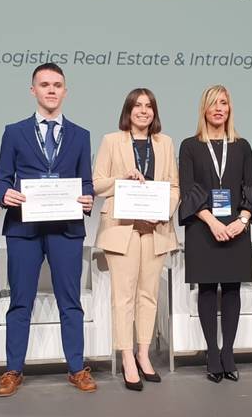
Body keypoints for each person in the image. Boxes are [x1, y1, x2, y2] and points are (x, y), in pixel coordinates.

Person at [0, 63, 95, 396]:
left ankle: (77, 368)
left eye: (57, 85)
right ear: (33, 90)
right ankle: (13, 370)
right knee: (20, 301)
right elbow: (1, 179)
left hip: (66, 228)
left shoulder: (81, 135)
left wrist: (88, 198)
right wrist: (3, 194)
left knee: (71, 301)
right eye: (44, 84)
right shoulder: (14, 131)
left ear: (65, 91)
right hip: (24, 229)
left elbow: (87, 181)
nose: (51, 90)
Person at [179, 85, 252, 383]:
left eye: (224, 103)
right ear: (203, 109)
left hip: (236, 227)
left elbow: (251, 187)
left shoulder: (242, 146)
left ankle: (228, 353)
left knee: (232, 290)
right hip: (203, 228)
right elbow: (189, 189)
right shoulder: (190, 146)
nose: (219, 108)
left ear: (230, 109)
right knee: (207, 289)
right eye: (213, 103)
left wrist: (242, 221)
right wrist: (212, 222)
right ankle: (212, 353)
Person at [93, 88, 179, 391]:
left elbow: (174, 187)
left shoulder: (165, 143)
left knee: (149, 295)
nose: (143, 111)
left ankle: (144, 354)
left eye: (149, 106)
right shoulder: (111, 141)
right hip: (122, 228)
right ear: (128, 110)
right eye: (137, 105)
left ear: (154, 112)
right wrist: (122, 179)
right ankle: (127, 356)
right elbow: (97, 184)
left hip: (155, 228)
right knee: (124, 296)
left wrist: (164, 212)